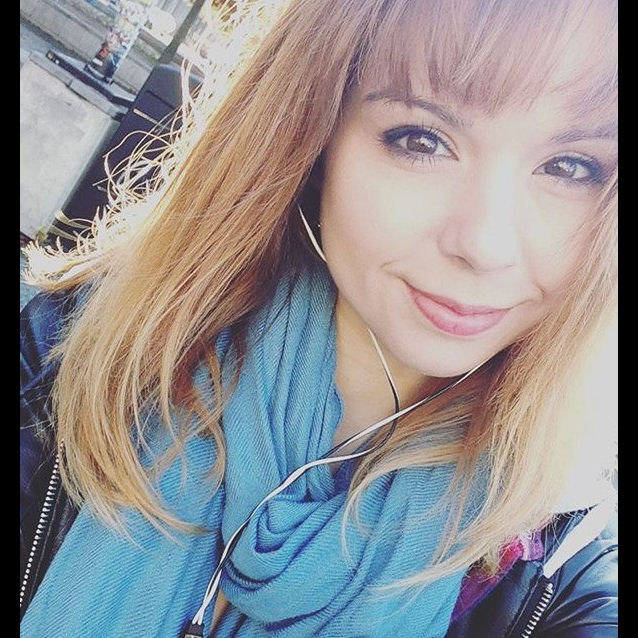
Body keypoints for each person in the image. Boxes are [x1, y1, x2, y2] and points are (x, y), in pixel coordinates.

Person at [20, 0, 617, 636]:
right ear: (313, 135)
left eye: (569, 168)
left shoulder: (561, 563)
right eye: (421, 140)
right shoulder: (72, 352)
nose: (487, 246)